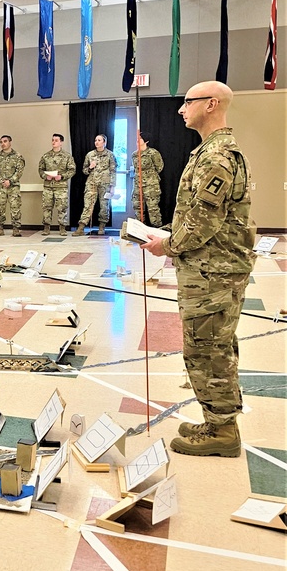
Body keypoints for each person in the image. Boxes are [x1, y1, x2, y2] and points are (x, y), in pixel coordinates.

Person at [141, 81, 255, 458]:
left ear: (211, 104)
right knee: (210, 347)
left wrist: (166, 245)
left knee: (208, 351)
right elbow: (199, 216)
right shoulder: (209, 151)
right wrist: (172, 234)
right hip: (210, 269)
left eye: (187, 102)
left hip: (214, 273)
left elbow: (204, 223)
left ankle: (222, 431)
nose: (180, 109)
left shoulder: (217, 157)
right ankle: (217, 419)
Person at [74, 134, 117, 236]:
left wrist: (113, 186)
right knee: (88, 205)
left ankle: (102, 226)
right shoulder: (90, 155)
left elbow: (113, 171)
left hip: (105, 184)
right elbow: (84, 171)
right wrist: (90, 167)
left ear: (104, 142)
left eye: (99, 140)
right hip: (91, 183)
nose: (96, 142)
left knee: (104, 206)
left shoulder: (110, 155)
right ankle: (81, 227)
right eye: (95, 140)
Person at [37, 134, 76, 236]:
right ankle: (46, 227)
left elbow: (72, 170)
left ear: (61, 142)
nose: (54, 142)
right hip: (48, 186)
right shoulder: (46, 156)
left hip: (61, 186)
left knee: (62, 207)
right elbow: (40, 169)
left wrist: (62, 176)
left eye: (56, 140)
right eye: (52, 140)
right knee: (46, 207)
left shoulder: (67, 156)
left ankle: (62, 228)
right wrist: (46, 177)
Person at [0, 135, 25, 237]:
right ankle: (0, 228)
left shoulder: (18, 156)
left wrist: (10, 181)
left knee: (15, 207)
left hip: (13, 187)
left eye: (5, 141)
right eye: (1, 142)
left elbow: (19, 171)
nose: (3, 143)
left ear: (10, 142)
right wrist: (2, 181)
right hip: (0, 187)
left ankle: (16, 229)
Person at [133, 134, 164, 227]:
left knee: (153, 209)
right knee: (137, 208)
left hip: (151, 186)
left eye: (140, 139)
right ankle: (140, 231)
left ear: (146, 141)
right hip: (138, 185)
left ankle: (157, 230)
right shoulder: (134, 155)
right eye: (137, 139)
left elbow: (159, 167)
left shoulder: (153, 153)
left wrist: (149, 176)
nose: (137, 141)